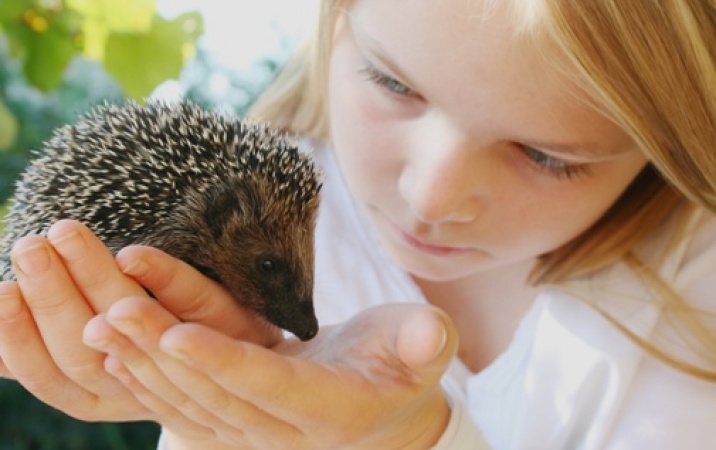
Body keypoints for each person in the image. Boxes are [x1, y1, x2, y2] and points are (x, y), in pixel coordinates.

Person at [1, 0, 715, 448]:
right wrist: (202, 427)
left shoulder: (695, 298)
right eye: (394, 83)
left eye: (546, 155)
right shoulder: (294, 193)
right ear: (335, 21)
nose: (430, 198)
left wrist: (418, 442)